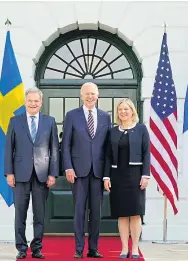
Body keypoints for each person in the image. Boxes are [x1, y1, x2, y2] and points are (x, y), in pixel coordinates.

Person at [4, 87, 59, 259]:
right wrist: (9, 173)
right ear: (25, 102)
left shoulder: (50, 121)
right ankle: (21, 248)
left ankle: (37, 248)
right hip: (20, 175)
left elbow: (54, 149)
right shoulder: (15, 121)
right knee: (20, 213)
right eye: (30, 101)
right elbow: (8, 149)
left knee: (39, 214)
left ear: (41, 103)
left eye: (36, 101)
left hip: (42, 175)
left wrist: (53, 174)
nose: (33, 103)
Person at [62, 82, 111, 258]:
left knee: (96, 213)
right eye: (87, 94)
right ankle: (78, 249)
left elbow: (107, 148)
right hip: (78, 172)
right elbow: (65, 144)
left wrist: (107, 174)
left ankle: (93, 248)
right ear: (81, 96)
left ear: (98, 95)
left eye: (93, 94)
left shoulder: (105, 117)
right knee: (79, 211)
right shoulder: (72, 116)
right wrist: (68, 166)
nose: (90, 97)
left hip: (98, 172)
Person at [103, 98, 150, 259]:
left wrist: (145, 175)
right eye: (120, 109)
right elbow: (107, 156)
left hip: (136, 176)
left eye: (126, 109)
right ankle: (124, 248)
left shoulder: (141, 129)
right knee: (122, 214)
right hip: (117, 176)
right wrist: (106, 177)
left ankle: (135, 247)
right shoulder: (113, 131)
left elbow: (146, 153)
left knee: (135, 213)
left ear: (132, 111)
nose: (123, 112)